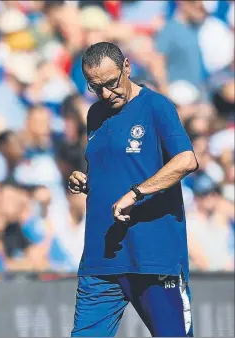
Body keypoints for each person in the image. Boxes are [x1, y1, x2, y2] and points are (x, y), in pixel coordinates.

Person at [67, 42, 199, 337]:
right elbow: (115, 168)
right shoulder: (95, 115)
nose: (105, 94)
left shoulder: (156, 106)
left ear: (127, 67)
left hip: (153, 257)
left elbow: (186, 160)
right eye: (95, 86)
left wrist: (135, 193)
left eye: (111, 83)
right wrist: (87, 182)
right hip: (101, 262)